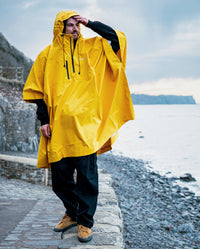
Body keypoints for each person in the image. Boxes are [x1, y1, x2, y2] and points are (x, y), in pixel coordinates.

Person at [23, 10, 134, 242]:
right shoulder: (47, 55)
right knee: (60, 181)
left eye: (77, 24)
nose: (75, 28)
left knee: (87, 179)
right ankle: (72, 213)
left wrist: (90, 23)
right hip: (59, 129)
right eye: (71, 25)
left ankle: (85, 222)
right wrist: (43, 120)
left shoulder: (92, 48)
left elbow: (118, 38)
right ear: (59, 27)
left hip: (86, 127)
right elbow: (38, 91)